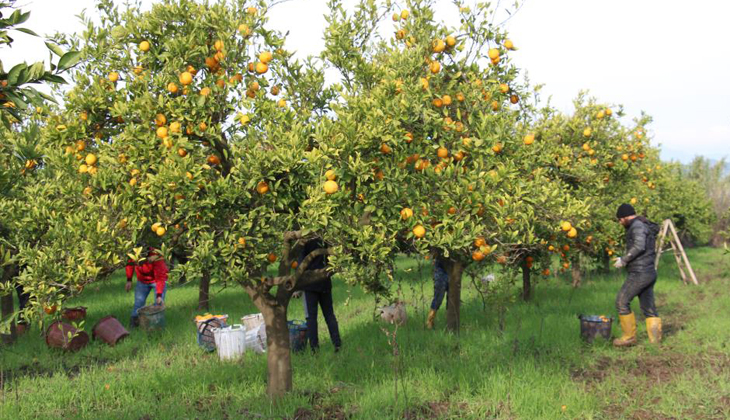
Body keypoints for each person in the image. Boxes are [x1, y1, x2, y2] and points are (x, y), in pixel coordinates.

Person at [613, 203, 662, 347]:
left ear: (626, 216)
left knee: (621, 302)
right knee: (648, 308)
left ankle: (629, 337)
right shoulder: (643, 225)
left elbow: (639, 246)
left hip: (640, 273)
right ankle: (655, 342)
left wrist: (624, 259)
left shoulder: (637, 226)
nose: (620, 223)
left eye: (620, 219)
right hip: (648, 272)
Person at [299, 238, 341, 352]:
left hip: (309, 284)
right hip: (324, 281)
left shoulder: (304, 240)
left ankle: (314, 349)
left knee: (311, 318)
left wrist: (297, 286)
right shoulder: (325, 236)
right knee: (329, 315)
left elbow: (300, 265)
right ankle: (337, 344)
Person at [125, 246, 169, 327]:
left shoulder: (156, 256)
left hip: (157, 280)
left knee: (158, 305)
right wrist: (129, 279)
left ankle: (156, 326)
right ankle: (134, 326)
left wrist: (159, 295)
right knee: (138, 303)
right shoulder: (135, 254)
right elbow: (130, 264)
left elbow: (160, 277)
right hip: (142, 280)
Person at [426, 253, 448, 329]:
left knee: (452, 298)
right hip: (440, 268)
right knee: (438, 297)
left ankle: (451, 324)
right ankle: (430, 321)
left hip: (454, 267)